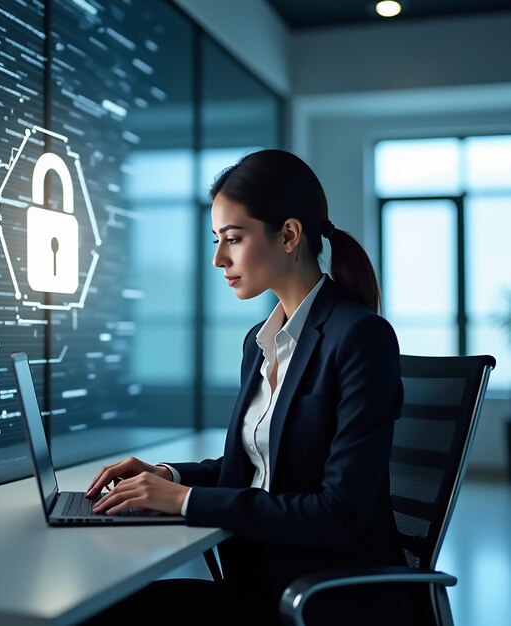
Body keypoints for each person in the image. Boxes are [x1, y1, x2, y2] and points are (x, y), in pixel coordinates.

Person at [83, 149, 412, 626]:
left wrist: (185, 502)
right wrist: (168, 476)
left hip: (320, 599)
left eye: (233, 239)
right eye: (217, 240)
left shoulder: (360, 337)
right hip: (257, 579)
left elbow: (338, 512)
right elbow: (260, 468)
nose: (219, 258)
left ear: (289, 235)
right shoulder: (259, 343)